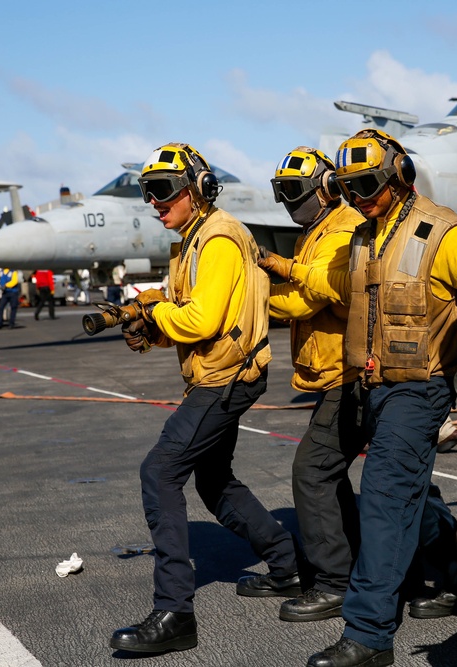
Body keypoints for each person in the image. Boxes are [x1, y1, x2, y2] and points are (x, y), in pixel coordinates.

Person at [280, 129, 457, 667]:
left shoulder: (443, 233)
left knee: (382, 496)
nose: (358, 197)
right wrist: (273, 269)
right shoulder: (363, 235)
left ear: (400, 176)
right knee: (412, 499)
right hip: (370, 387)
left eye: (369, 185)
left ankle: (369, 635)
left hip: (420, 388)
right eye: (349, 187)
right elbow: (330, 285)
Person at [108, 142, 298, 655]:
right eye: (148, 193)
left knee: (160, 472)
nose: (154, 202)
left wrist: (153, 315)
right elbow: (192, 321)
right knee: (214, 481)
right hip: (218, 372)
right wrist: (149, 331)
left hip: (226, 378)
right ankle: (288, 564)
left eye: (164, 191)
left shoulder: (217, 239)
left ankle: (174, 613)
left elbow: (201, 319)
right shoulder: (190, 240)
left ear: (198, 190)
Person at [258, 146, 366, 623]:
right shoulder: (315, 230)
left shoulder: (339, 230)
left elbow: (304, 301)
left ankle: (334, 583)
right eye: (282, 192)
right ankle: (435, 567)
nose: (288, 201)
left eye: (295, 191)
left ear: (326, 187)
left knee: (313, 470)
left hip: (349, 374)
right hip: (335, 374)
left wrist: (252, 297)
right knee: (394, 481)